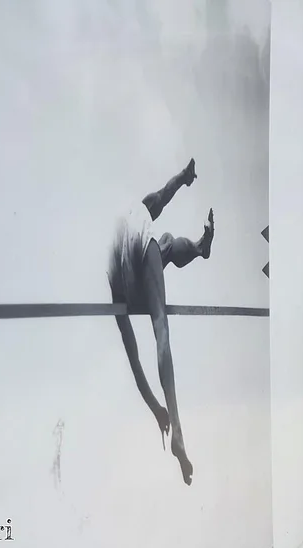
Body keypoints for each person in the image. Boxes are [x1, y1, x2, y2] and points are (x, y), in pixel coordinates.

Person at [108, 158, 214, 486]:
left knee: (167, 240)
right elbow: (165, 193)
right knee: (161, 330)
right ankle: (179, 429)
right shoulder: (142, 211)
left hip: (125, 287)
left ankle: (198, 247)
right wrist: (183, 177)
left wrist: (154, 405)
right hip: (144, 264)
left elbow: (132, 353)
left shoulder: (114, 254)